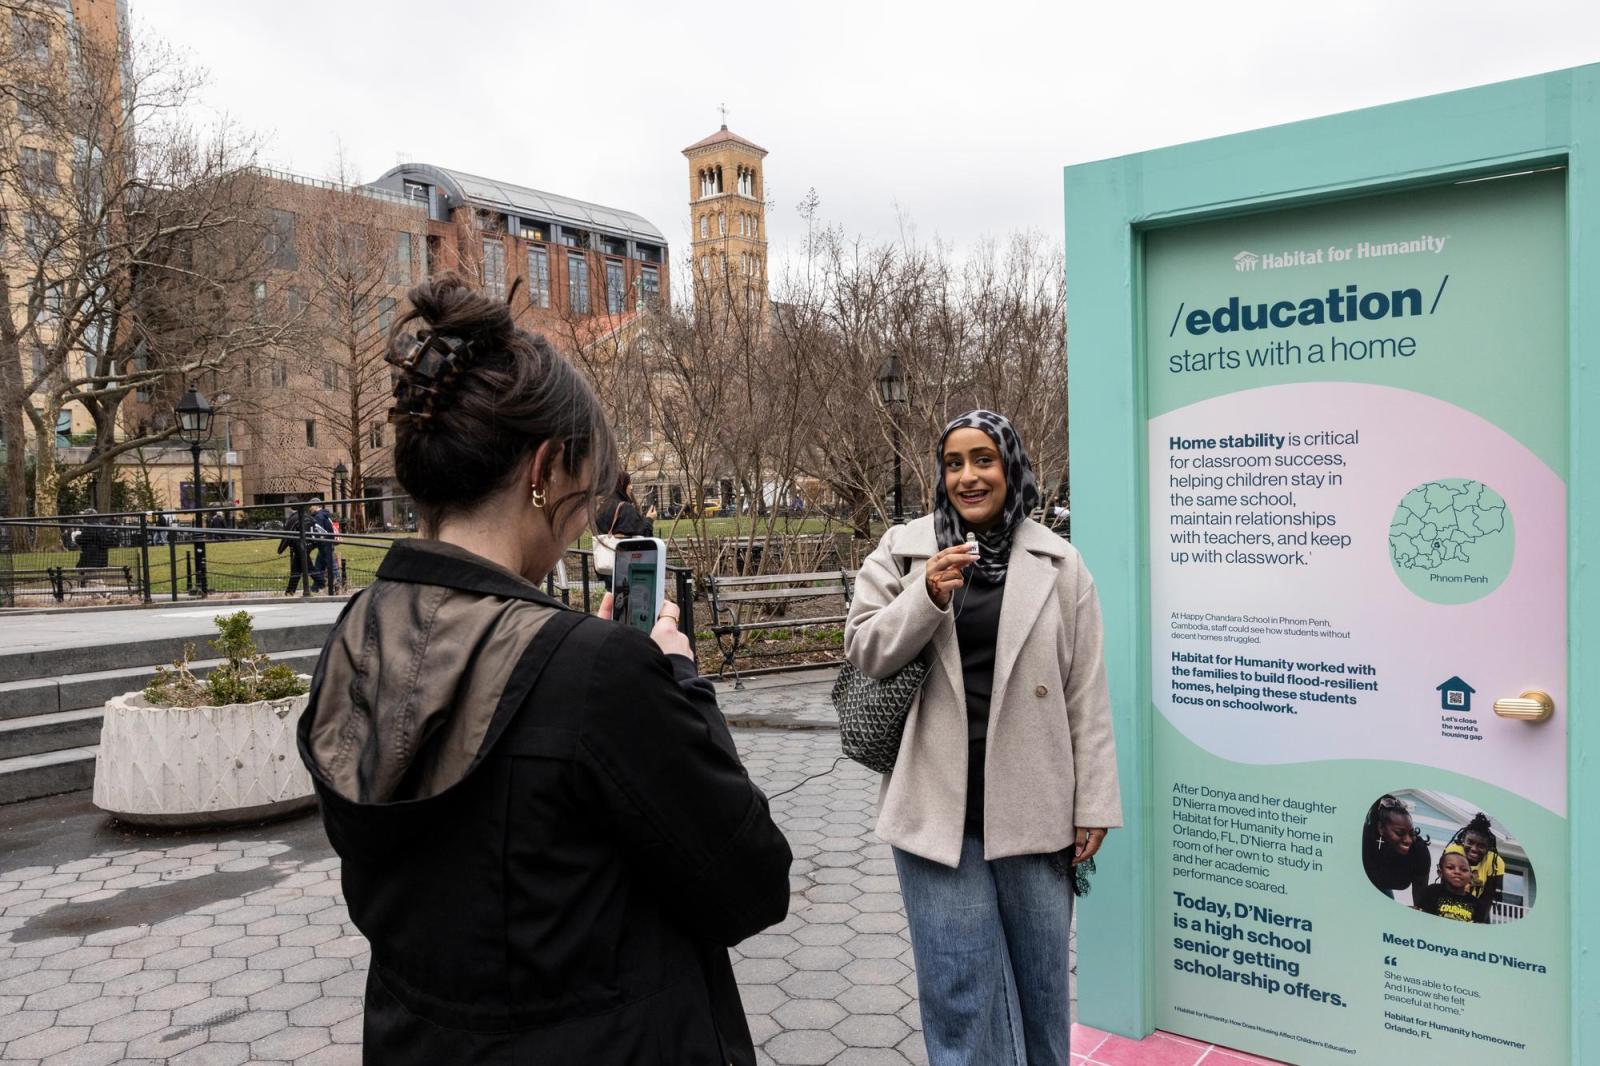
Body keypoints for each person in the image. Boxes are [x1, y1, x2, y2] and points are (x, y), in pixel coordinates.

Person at [296, 274, 791, 1065]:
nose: (583, 519)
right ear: (547, 467)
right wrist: (677, 682)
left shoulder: (359, 635)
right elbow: (751, 878)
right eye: (586, 490)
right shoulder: (598, 675)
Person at [843, 409, 1122, 1066]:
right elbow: (863, 650)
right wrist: (926, 597)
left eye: (983, 460)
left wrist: (1095, 803)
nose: (968, 476)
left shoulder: (1061, 562)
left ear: (1011, 467)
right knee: (960, 994)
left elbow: (1087, 691)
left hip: (1035, 808)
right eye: (954, 463)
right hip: (938, 815)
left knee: (1043, 991)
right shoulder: (904, 550)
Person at [1362, 795, 1431, 904]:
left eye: (1411, 833)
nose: (1408, 840)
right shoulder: (1364, 842)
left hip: (1383, 889)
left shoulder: (1419, 850)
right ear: (1381, 828)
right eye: (1399, 833)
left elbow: (1420, 900)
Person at [597, 472, 656, 590]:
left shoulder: (602, 508)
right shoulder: (625, 508)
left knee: (614, 599)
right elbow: (642, 536)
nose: (631, 487)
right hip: (627, 568)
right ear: (621, 485)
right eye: (629, 483)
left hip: (608, 566)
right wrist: (649, 519)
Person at [1444, 812, 1506, 923]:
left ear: (1488, 848)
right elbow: (1444, 886)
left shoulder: (1495, 862)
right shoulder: (1454, 851)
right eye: (1470, 842)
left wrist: (1478, 922)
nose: (1474, 849)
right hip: (1449, 902)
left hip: (1478, 907)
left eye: (1481, 846)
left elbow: (1488, 897)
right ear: (1463, 839)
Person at [1414, 850, 1478, 923]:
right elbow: (1421, 918)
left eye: (1464, 870)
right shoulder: (1432, 891)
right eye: (1450, 868)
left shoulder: (1476, 903)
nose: (1457, 872)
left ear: (1471, 876)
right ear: (1440, 873)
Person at [277, 509, 311, 595]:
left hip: (300, 547)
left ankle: (321, 584)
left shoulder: (294, 518)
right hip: (304, 546)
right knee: (297, 569)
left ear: (290, 508)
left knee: (310, 568)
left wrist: (280, 549)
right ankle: (290, 591)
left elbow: (287, 535)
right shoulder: (305, 515)